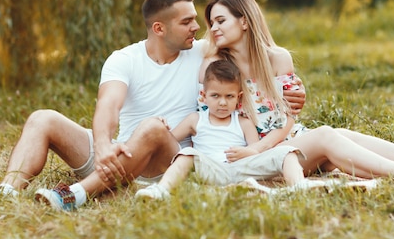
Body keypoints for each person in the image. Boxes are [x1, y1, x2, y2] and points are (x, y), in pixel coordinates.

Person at [0, 0, 306, 210]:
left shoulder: (205, 53)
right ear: (159, 28)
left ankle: (74, 195)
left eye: (197, 20)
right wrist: (103, 146)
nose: (199, 28)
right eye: (187, 22)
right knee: (42, 118)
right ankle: (7, 192)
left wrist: (291, 91)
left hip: (167, 159)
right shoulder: (124, 59)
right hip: (118, 154)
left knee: (154, 127)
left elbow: (253, 61)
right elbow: (108, 106)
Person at [199, 0, 394, 179]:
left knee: (341, 134)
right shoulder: (216, 68)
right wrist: (256, 151)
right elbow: (212, 119)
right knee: (325, 134)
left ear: (244, 21)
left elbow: (289, 119)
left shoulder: (278, 58)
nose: (214, 29)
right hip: (257, 155)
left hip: (288, 140)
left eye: (221, 20)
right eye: (211, 23)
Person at [135, 59, 320, 200]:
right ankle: (162, 190)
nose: (222, 102)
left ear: (238, 98)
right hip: (211, 169)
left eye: (229, 96)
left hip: (242, 167)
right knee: (187, 154)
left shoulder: (243, 122)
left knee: (286, 152)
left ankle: (298, 186)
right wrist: (161, 125)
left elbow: (255, 148)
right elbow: (170, 140)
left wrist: (247, 152)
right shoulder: (196, 120)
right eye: (215, 96)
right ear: (204, 96)